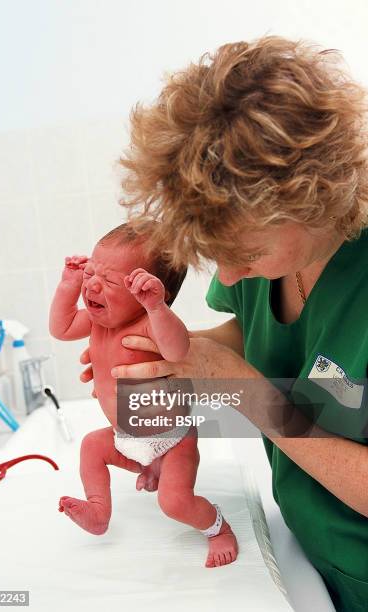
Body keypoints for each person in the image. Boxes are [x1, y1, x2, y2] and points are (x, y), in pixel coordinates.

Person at [79, 36, 368, 610]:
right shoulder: (264, 252)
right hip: (312, 558)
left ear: (310, 198)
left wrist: (240, 388)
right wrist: (158, 359)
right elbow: (257, 336)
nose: (231, 277)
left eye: (245, 253)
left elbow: (254, 375)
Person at [49, 223, 239, 567]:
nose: (91, 284)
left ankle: (218, 529)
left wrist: (157, 309)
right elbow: (60, 329)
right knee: (92, 445)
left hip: (173, 441)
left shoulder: (149, 323)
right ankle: (98, 510)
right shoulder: (95, 322)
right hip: (126, 437)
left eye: (108, 282)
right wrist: (67, 285)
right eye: (90, 272)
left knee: (174, 504)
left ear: (146, 293)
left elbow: (178, 350)